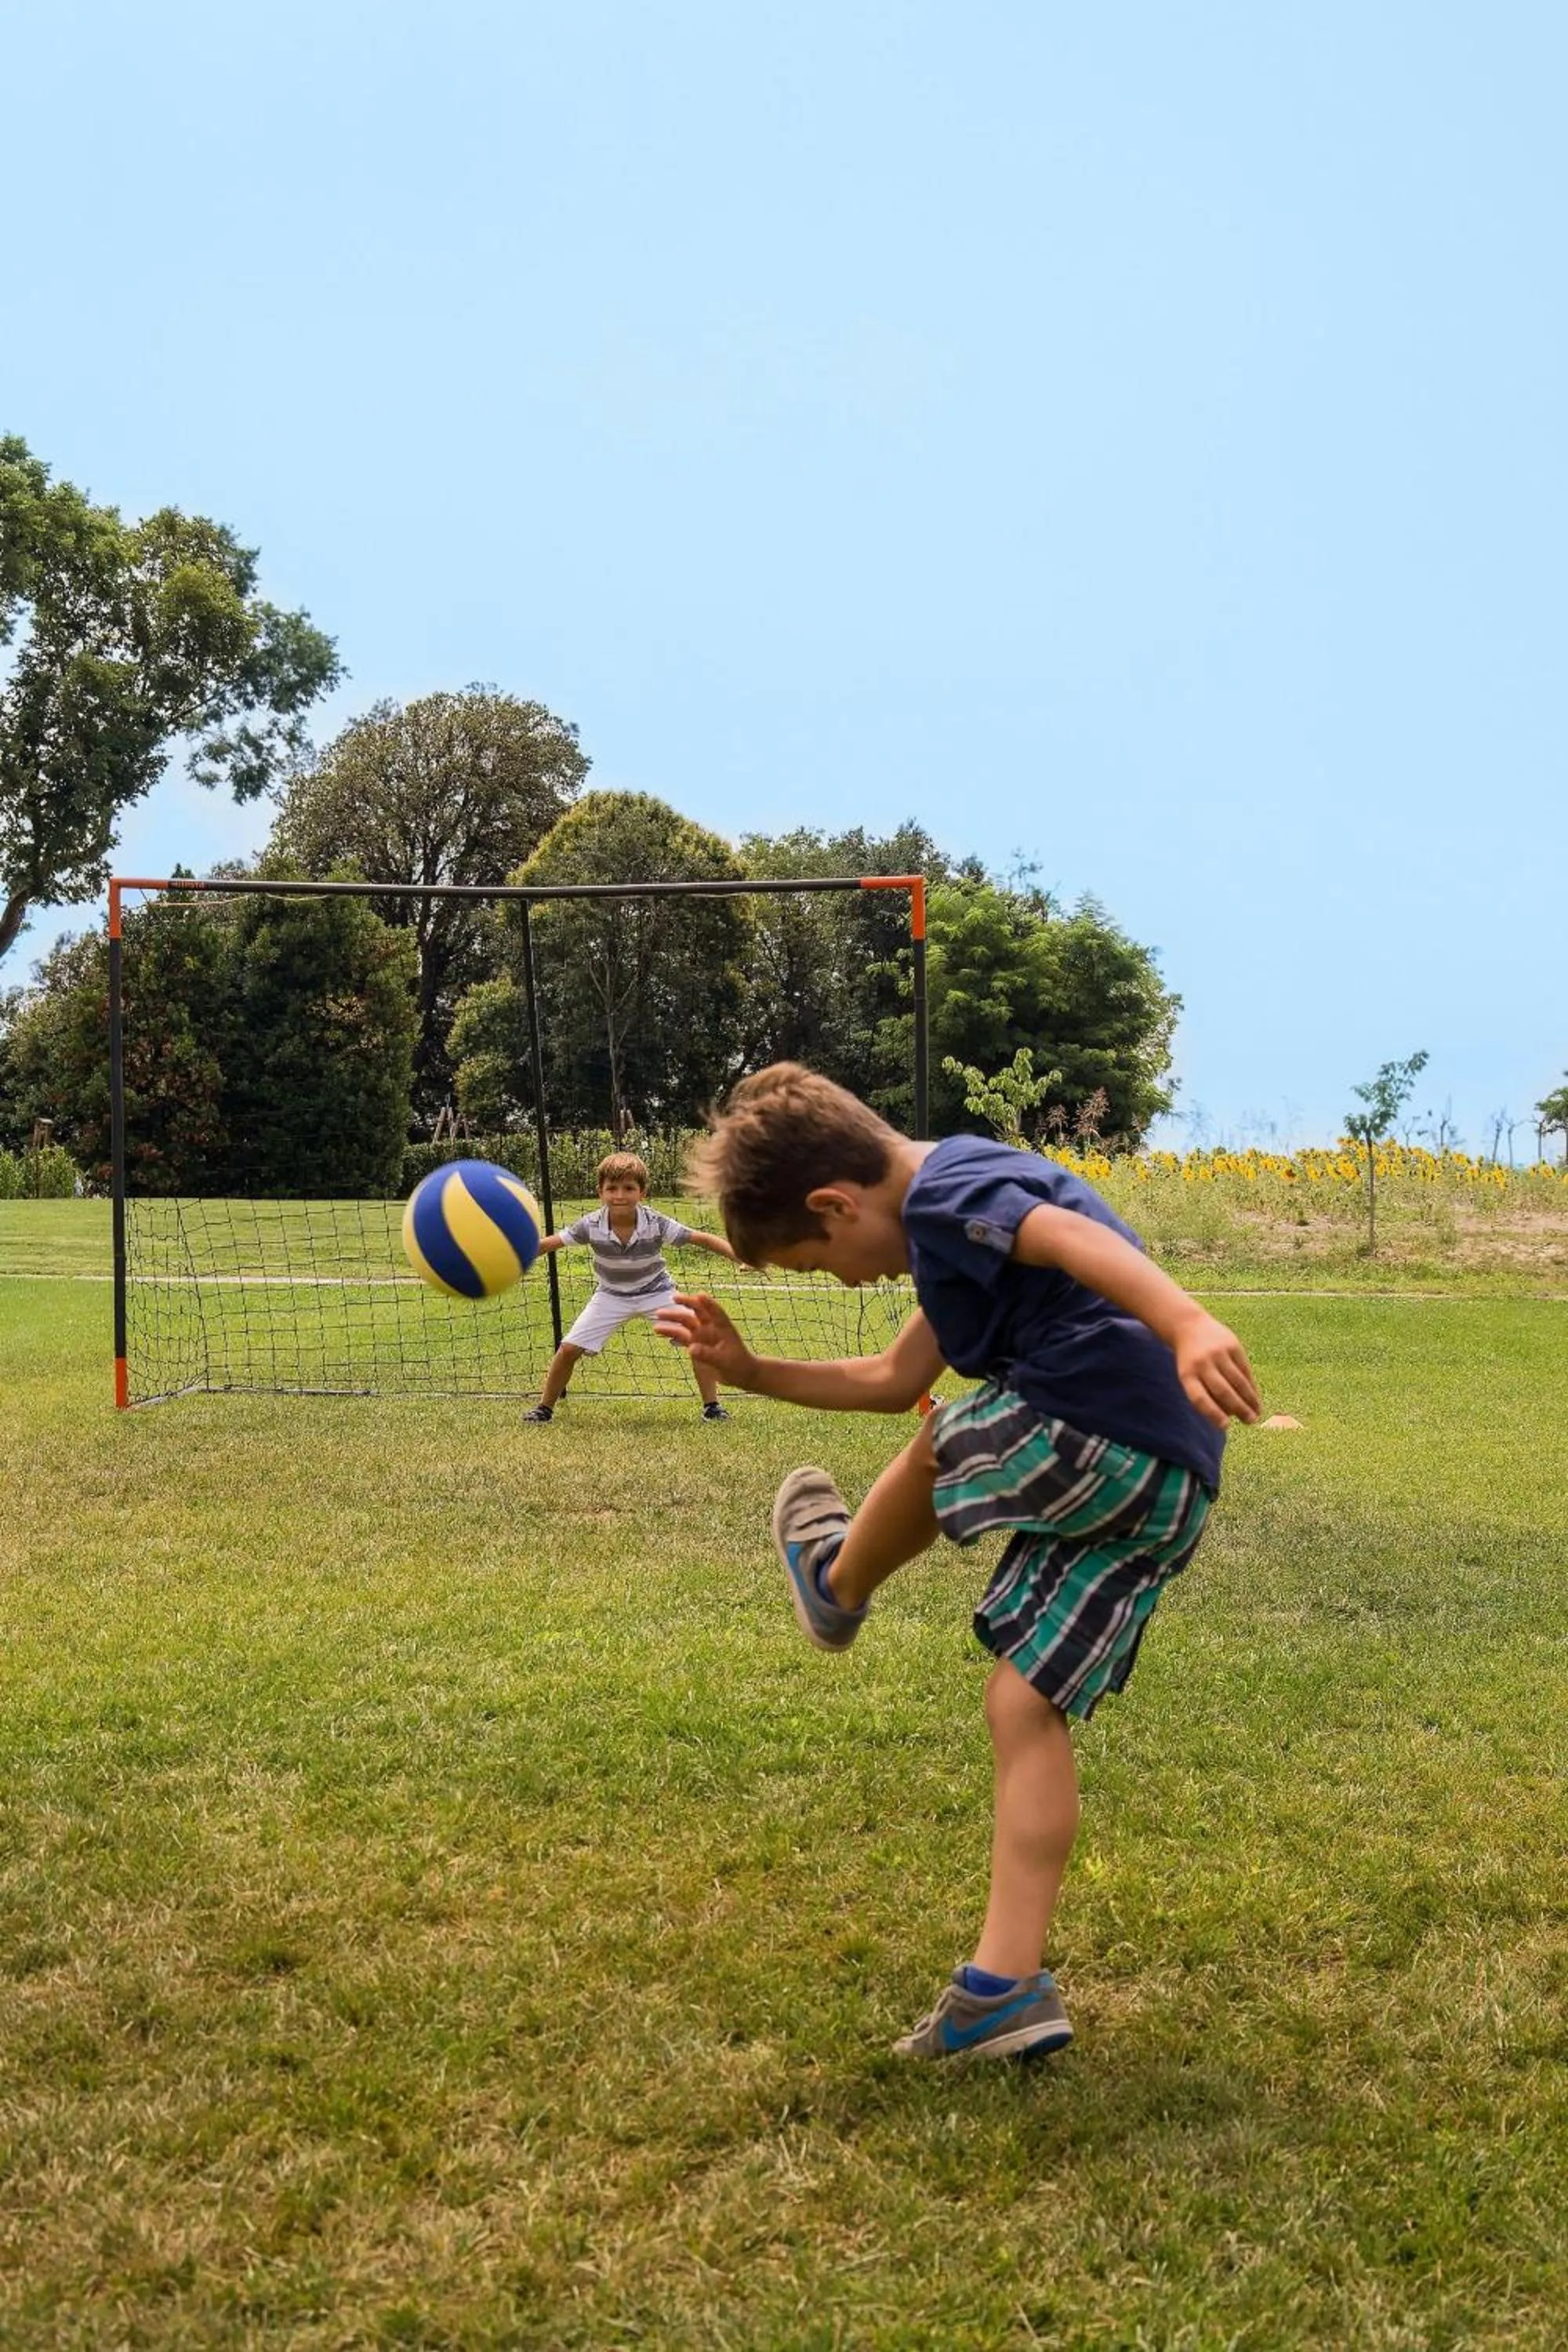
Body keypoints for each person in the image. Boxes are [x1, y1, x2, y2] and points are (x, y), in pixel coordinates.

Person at [656, 1064, 1261, 2061]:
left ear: (835, 1205)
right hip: (1168, 1481)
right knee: (1020, 1705)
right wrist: (751, 1371)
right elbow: (890, 1376)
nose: (845, 1282)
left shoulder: (946, 1189)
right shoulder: (955, 1240)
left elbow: (1069, 1238)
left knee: (945, 1440)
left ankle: (836, 1581)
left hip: (1097, 1422)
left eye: (819, 1262)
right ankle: (1002, 1991)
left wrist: (1186, 1319)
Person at [524, 1151, 738, 1421]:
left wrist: (741, 1256)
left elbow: (702, 1239)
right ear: (600, 1193)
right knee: (568, 1349)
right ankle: (544, 1409)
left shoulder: (656, 1223)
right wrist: (513, 1257)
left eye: (629, 1188)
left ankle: (712, 1407)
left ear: (642, 1193)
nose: (620, 1195)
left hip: (657, 1292)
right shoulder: (590, 1225)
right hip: (610, 1296)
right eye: (611, 1188)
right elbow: (549, 1244)